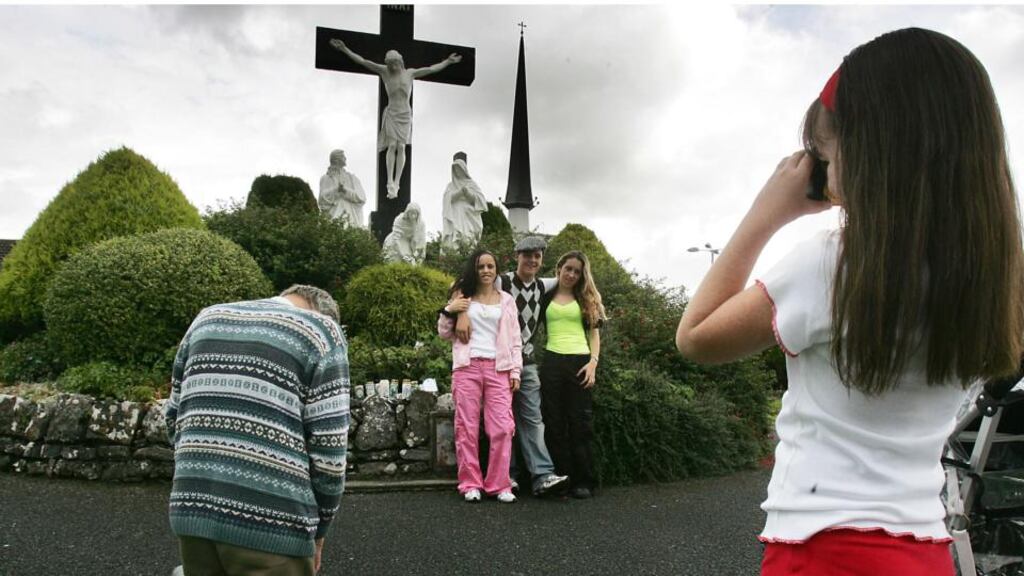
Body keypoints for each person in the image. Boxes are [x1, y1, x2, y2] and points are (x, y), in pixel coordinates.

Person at [675, 28, 1024, 576]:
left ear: (871, 152)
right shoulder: (989, 280)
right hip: (924, 549)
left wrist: (768, 211)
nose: (825, 171)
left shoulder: (835, 265)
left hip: (823, 547)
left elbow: (696, 337)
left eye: (827, 153)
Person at [165, 285, 350, 576]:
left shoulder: (206, 319)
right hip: (272, 524)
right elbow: (330, 454)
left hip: (192, 510)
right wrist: (320, 531)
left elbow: (174, 416)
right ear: (324, 312)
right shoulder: (321, 330)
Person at [455, 236, 569, 496]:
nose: (531, 260)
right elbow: (465, 284)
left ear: (542, 260)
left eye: (537, 255)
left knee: (528, 419)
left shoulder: (544, 285)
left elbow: (573, 279)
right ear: (516, 256)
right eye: (526, 254)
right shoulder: (500, 280)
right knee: (493, 422)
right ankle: (507, 476)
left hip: (524, 361)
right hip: (489, 361)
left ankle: (542, 475)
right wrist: (460, 312)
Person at [329, 38, 462, 199]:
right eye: (390, 64)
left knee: (402, 146)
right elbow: (364, 61)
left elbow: (431, 69)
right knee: (392, 146)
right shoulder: (384, 72)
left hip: (405, 114)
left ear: (400, 62)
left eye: (395, 63)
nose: (393, 66)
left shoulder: (410, 73)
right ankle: (389, 182)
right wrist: (345, 49)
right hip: (392, 112)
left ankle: (397, 182)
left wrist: (448, 61)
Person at [438, 249, 522, 503]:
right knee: (467, 427)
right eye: (480, 266)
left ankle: (499, 484)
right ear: (474, 270)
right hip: (467, 367)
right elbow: (444, 333)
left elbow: (516, 339)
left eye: (490, 266)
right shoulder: (464, 299)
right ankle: (470, 483)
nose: (486, 270)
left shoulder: (507, 300)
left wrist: (516, 370)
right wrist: (448, 310)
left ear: (496, 270)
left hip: (499, 368)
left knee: (503, 428)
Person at [538, 250, 606, 499]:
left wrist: (593, 364)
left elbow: (594, 333)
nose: (571, 274)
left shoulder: (586, 298)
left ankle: (584, 481)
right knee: (554, 422)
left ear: (581, 275)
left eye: (577, 271)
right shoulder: (545, 294)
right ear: (559, 268)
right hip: (552, 361)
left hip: (580, 361)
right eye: (568, 269)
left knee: (580, 423)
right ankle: (561, 479)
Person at [441, 157, 488, 248]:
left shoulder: (472, 184)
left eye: (459, 169)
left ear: (464, 169)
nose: (457, 171)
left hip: (469, 216)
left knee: (468, 239)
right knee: (455, 241)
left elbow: (481, 201)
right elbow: (447, 199)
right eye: (455, 169)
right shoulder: (450, 186)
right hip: (455, 216)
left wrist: (468, 194)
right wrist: (459, 193)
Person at [318, 149, 366, 228]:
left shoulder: (352, 178)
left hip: (350, 218)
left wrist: (345, 190)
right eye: (343, 156)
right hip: (333, 218)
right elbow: (322, 199)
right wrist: (336, 190)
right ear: (336, 160)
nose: (345, 158)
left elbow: (361, 197)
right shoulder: (326, 178)